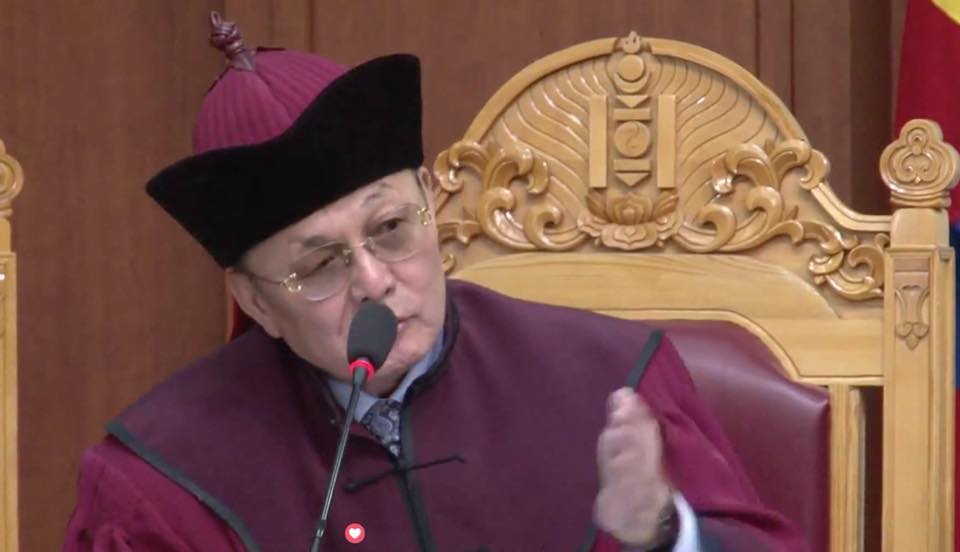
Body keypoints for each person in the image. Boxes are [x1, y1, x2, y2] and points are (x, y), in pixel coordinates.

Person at [64, 12, 808, 552]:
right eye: (320, 265)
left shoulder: (610, 384)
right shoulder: (162, 482)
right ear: (256, 300)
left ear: (429, 202)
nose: (375, 281)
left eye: (391, 228)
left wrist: (663, 533)